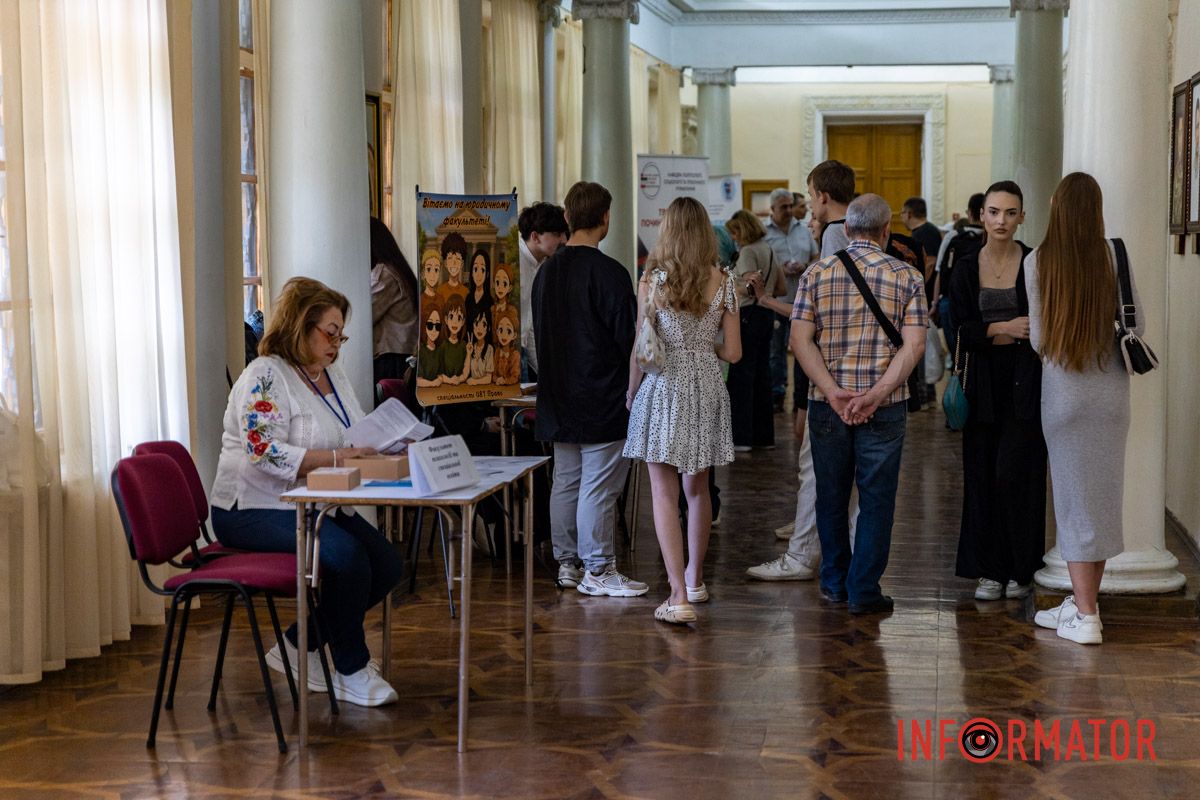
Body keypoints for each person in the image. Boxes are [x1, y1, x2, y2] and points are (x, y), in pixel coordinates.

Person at [209, 277, 403, 706]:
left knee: (387, 564)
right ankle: (350, 669)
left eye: (341, 336)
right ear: (301, 325)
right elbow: (263, 451)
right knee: (348, 560)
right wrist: (337, 456)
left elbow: (355, 430)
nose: (336, 344)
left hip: (315, 501)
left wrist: (389, 442)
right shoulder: (265, 375)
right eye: (330, 333)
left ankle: (299, 645)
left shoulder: (331, 373)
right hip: (251, 507)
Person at [792, 194, 926, 615]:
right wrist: (876, 395)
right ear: (886, 232)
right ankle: (864, 590)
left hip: (827, 405)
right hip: (884, 406)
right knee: (876, 501)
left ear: (847, 230)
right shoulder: (908, 276)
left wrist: (833, 391)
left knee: (830, 496)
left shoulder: (816, 273)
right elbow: (914, 346)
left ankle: (835, 583)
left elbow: (800, 340)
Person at [1027, 172, 1139, 645]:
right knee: (1102, 499)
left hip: (1064, 396)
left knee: (1073, 502)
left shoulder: (1037, 260)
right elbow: (1136, 324)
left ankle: (1086, 614)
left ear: (1056, 206)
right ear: (1096, 209)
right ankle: (1081, 604)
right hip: (1109, 394)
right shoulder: (1115, 254)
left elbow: (1038, 338)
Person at [624, 197, 741, 624]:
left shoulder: (653, 281)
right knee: (698, 489)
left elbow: (642, 349)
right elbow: (734, 352)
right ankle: (694, 578)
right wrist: (703, 346)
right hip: (707, 385)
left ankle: (676, 596)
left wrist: (631, 393)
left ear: (668, 231)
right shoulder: (725, 282)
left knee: (663, 492)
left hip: (664, 386)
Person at [533, 180, 646, 597]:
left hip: (556, 393)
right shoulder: (610, 272)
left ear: (567, 217)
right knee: (598, 486)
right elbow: (629, 338)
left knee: (566, 481)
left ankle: (567, 563)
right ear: (606, 218)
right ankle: (598, 568)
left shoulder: (546, 271)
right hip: (602, 394)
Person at [949, 181, 1047, 602]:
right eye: (993, 212)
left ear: (1022, 216)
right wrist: (1002, 327)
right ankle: (989, 571)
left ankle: (1021, 569)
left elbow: (1046, 324)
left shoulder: (1036, 263)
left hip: (1027, 383)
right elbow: (959, 330)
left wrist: (1003, 332)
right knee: (982, 476)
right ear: (981, 216)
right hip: (981, 384)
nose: (1001, 220)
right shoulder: (965, 267)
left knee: (1017, 475)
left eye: (1010, 212)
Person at [725, 209, 787, 451]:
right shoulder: (769, 249)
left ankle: (741, 437)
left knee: (741, 376)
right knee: (762, 375)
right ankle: (763, 437)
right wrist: (766, 292)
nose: (733, 238)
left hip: (747, 315)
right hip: (766, 314)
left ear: (742, 230)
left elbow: (749, 287)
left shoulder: (748, 251)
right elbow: (781, 287)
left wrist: (729, 283)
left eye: (734, 233)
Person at [764, 188, 818, 412]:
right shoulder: (764, 232)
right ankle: (777, 394)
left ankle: (800, 397)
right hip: (777, 301)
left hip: (803, 301)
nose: (788, 210)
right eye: (783, 207)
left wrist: (805, 266)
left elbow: (816, 256)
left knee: (802, 348)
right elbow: (761, 263)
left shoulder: (803, 230)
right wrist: (780, 270)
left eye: (789, 205)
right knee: (776, 350)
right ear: (772, 209)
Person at [518, 202, 569, 381]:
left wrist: (544, 373)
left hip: (522, 353)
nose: (564, 240)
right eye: (557, 234)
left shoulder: (542, 265)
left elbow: (531, 324)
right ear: (535, 237)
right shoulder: (512, 260)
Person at [932, 193, 986, 356]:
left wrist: (935, 304)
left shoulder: (953, 236)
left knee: (956, 352)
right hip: (980, 301)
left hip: (950, 300)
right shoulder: (990, 238)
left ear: (969, 213)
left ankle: (958, 370)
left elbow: (940, 271)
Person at [369, 218, 420, 386]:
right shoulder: (396, 270)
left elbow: (365, 314)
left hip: (391, 360)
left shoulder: (385, 274)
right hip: (401, 357)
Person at [807, 160, 855, 258]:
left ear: (822, 196)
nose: (810, 205)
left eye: (811, 195)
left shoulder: (834, 231)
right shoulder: (862, 225)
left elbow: (835, 268)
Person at [899, 197, 943, 279]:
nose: (901, 216)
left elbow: (930, 263)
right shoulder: (920, 231)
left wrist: (919, 284)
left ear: (909, 214)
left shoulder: (927, 232)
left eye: (902, 213)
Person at [437, 293, 469, 386]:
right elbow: (439, 374)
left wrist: (459, 379)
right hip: (445, 390)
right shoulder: (443, 346)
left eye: (459, 318)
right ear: (446, 319)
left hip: (462, 389)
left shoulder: (463, 346)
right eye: (451, 317)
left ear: (463, 321)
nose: (455, 322)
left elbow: (465, 373)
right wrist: (450, 380)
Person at [464, 248, 494, 337]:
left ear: (487, 274)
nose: (478, 274)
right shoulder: (468, 299)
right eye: (475, 269)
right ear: (472, 273)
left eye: (482, 270)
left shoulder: (490, 302)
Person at [465, 306, 495, 385]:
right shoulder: (471, 347)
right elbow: (466, 374)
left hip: (485, 389)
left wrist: (475, 381)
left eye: (484, 324)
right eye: (476, 323)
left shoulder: (489, 349)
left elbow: (489, 378)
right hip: (471, 389)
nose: (479, 328)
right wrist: (468, 354)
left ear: (488, 328)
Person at [437, 233, 469, 305]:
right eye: (450, 258)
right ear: (445, 263)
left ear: (462, 264)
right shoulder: (439, 292)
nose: (454, 263)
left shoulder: (466, 292)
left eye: (458, 259)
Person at [493, 305, 520, 386]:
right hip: (497, 389)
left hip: (510, 389)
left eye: (508, 331)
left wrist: (505, 381)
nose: (504, 335)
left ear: (514, 335)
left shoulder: (515, 355)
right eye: (501, 330)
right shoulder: (497, 352)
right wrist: (497, 379)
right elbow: (493, 374)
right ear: (497, 332)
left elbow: (515, 377)